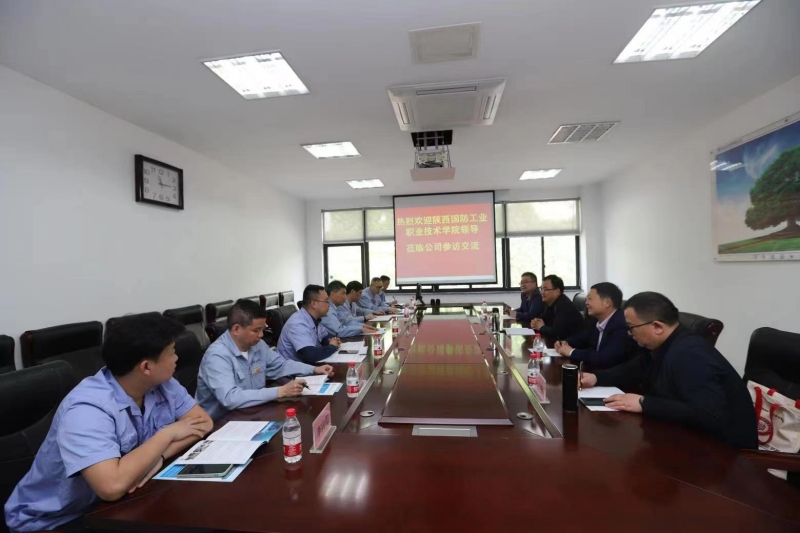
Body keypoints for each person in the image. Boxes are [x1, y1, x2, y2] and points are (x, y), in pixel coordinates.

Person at [5, 315, 214, 533]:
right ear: (146, 367)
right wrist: (167, 434)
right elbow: (111, 486)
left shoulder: (162, 383)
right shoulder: (87, 409)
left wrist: (160, 456)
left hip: (115, 503)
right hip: (54, 521)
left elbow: (204, 422)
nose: (177, 358)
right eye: (172, 352)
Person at [580, 292, 757, 449]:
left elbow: (708, 415)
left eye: (631, 327)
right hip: (685, 436)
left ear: (657, 327)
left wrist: (644, 403)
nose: (629, 333)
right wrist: (596, 378)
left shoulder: (690, 354)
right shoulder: (661, 344)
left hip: (724, 454)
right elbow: (632, 369)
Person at [195, 299, 334, 421]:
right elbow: (230, 398)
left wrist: (314, 369)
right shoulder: (217, 356)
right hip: (220, 424)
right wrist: (280, 391)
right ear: (236, 329)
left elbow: (280, 365)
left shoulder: (257, 345)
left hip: (253, 412)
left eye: (263, 329)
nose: (261, 335)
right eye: (256, 330)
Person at [555, 282, 635, 368]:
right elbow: (584, 338)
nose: (586, 303)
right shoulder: (595, 320)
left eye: (590, 299)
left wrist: (571, 352)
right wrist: (565, 342)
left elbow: (604, 358)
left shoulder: (621, 324)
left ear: (607, 302)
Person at [277, 284, 342, 363]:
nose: (329, 305)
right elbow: (310, 355)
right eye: (326, 301)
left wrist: (334, 341)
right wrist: (332, 346)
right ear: (314, 304)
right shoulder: (297, 323)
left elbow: (326, 338)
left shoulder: (315, 319)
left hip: (306, 365)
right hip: (291, 369)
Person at [530, 274, 584, 340]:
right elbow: (544, 319)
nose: (542, 292)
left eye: (545, 289)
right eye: (541, 289)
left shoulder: (564, 306)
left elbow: (557, 332)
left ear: (557, 291)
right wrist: (536, 322)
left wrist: (541, 327)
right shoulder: (549, 302)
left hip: (572, 343)